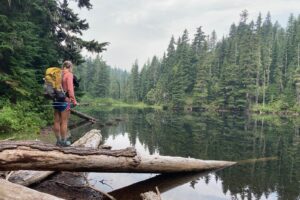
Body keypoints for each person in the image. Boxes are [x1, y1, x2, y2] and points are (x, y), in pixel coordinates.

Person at [53, 60, 78, 146]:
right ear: (70, 67)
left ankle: (58, 141)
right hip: (65, 102)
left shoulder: (58, 74)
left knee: (56, 121)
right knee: (64, 121)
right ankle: (63, 142)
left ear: (63, 66)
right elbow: (70, 90)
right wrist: (74, 101)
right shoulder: (69, 75)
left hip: (56, 100)